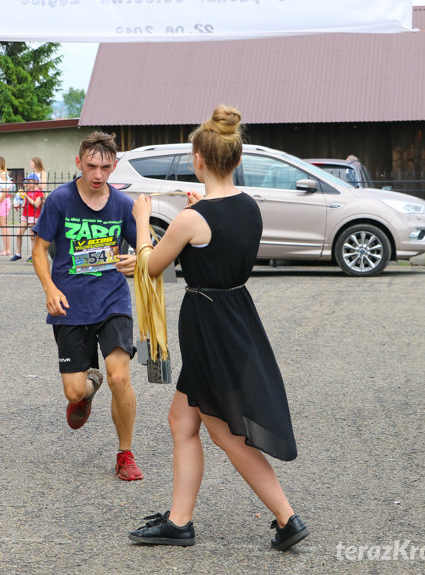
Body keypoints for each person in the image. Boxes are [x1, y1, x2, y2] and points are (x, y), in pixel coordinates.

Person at [127, 105, 307, 549]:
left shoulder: (192, 218)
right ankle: (179, 520)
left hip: (208, 326)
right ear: (237, 160)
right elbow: (217, 246)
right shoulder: (249, 207)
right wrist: (195, 216)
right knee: (182, 421)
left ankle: (287, 518)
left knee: (225, 432)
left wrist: (141, 222)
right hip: (237, 316)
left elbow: (153, 266)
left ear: (199, 160)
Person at [30, 131, 144, 482]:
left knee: (120, 376)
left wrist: (134, 262)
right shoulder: (60, 200)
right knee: (74, 391)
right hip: (70, 305)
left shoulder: (123, 206)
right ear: (78, 163)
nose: (98, 174)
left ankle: (125, 453)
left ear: (113, 166)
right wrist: (49, 288)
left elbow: (146, 253)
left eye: (105, 167)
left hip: (112, 300)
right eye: (91, 166)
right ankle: (88, 388)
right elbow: (39, 249)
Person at [10, 173, 44, 262]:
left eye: (29, 181)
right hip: (26, 215)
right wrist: (19, 204)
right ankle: (18, 253)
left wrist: (27, 197)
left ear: (35, 182)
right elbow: (25, 203)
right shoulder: (27, 192)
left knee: (32, 236)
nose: (27, 184)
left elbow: (36, 204)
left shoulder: (39, 193)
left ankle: (33, 255)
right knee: (18, 234)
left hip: (34, 216)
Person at [0, 155, 14, 256]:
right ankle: (5, 249)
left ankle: (7, 249)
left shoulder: (3, 174)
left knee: (4, 225)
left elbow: (5, 191)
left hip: (2, 201)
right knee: (2, 226)